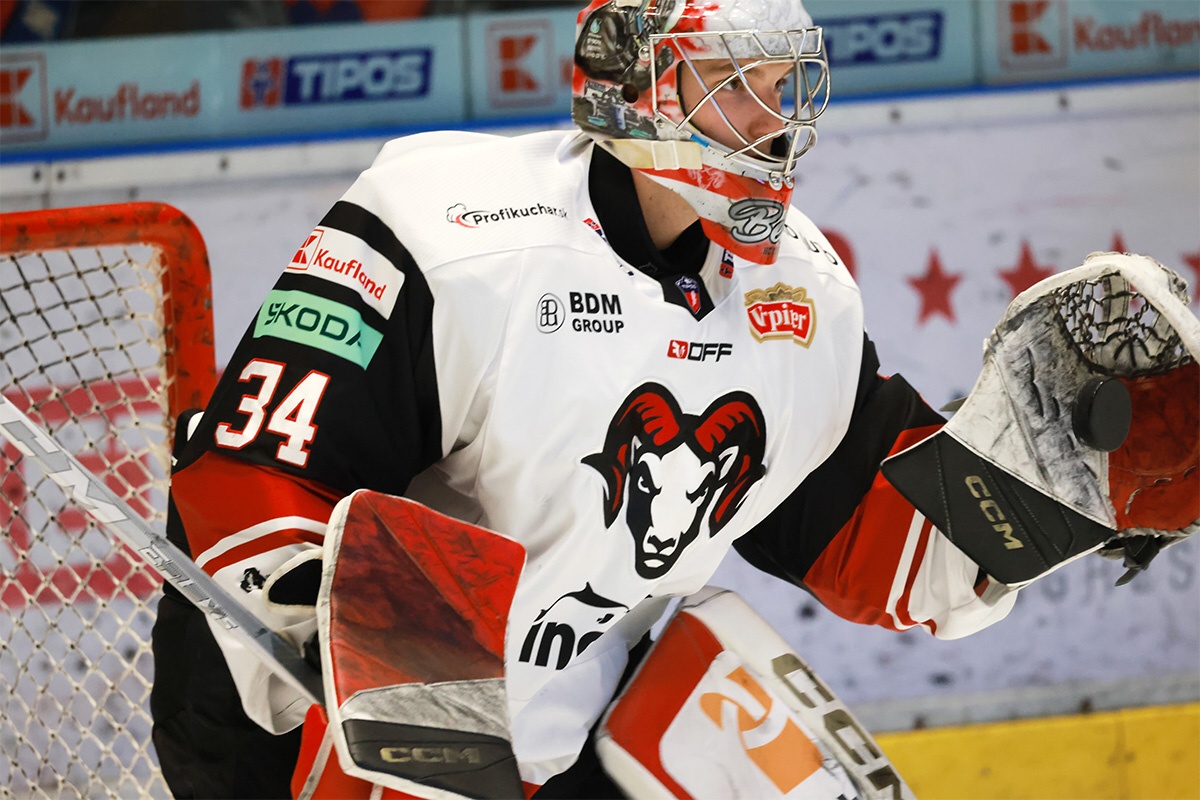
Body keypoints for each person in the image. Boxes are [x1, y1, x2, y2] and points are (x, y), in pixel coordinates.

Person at [150, 0, 1179, 797]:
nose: (774, 127)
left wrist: (1056, 494)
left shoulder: (801, 297)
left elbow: (867, 532)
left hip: (555, 724)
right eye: (736, 85)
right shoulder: (448, 227)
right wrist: (334, 634)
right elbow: (256, 465)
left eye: (785, 86)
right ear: (632, 82)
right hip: (306, 729)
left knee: (747, 722)